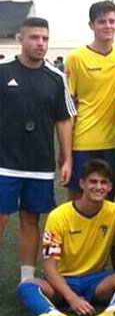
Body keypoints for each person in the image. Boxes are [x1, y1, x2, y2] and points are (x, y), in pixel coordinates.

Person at [17, 159, 115, 316]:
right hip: (62, 281)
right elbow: (49, 265)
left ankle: (113, 311)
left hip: (95, 280)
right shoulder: (58, 216)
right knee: (27, 286)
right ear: (82, 183)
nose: (99, 187)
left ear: (110, 186)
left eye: (103, 182)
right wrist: (72, 298)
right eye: (93, 181)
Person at [0, 17, 76, 282]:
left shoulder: (56, 78)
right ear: (21, 39)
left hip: (39, 164)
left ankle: (27, 277)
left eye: (44, 38)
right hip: (4, 162)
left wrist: (67, 159)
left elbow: (64, 119)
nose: (40, 43)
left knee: (31, 220)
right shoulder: (3, 70)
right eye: (34, 38)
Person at [65, 0, 115, 201]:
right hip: (85, 140)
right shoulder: (76, 58)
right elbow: (68, 106)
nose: (108, 26)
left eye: (112, 21)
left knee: (109, 196)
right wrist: (66, 150)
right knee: (78, 196)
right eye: (102, 22)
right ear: (91, 25)